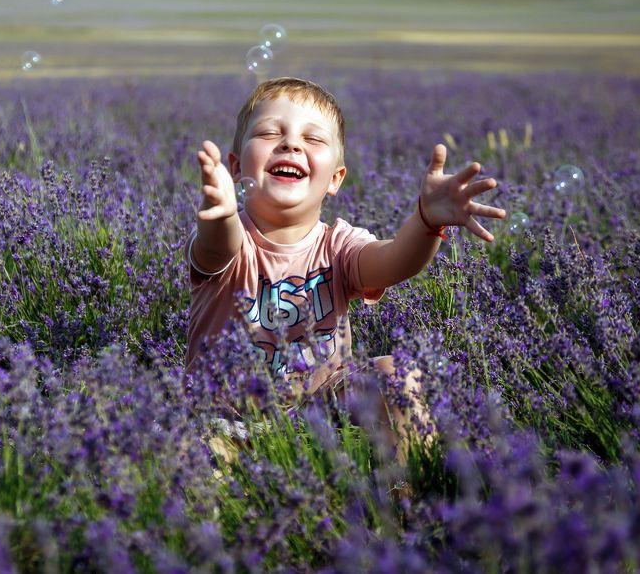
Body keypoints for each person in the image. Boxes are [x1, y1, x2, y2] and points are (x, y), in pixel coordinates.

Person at [187, 77, 506, 450]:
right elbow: (216, 248)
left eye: (314, 138)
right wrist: (219, 215)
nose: (290, 143)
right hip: (228, 419)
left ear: (335, 179)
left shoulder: (338, 244)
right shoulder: (231, 241)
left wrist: (425, 222)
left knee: (396, 375)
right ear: (237, 167)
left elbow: (391, 263)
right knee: (196, 465)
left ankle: (406, 497)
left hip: (324, 411)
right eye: (271, 132)